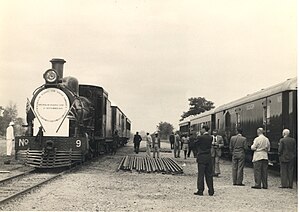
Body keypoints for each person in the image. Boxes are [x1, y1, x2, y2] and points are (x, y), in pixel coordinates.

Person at [194, 126, 214, 196]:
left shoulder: (200, 137)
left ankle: (200, 190)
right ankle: (211, 190)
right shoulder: (211, 137)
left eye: (201, 129)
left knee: (201, 174)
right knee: (209, 174)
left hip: (201, 157)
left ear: (204, 129)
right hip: (208, 157)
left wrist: (198, 136)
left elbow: (195, 144)